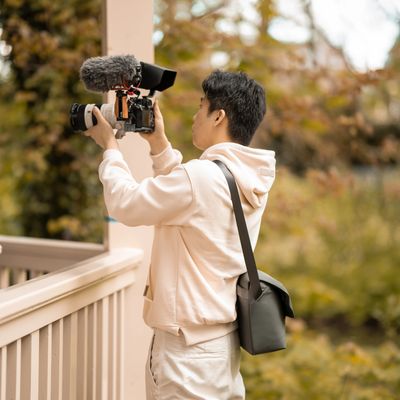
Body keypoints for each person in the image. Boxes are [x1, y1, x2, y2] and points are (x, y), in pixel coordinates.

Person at [84, 70, 276, 400]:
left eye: (201, 107)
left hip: (186, 354)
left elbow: (127, 205)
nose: (194, 116)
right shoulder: (246, 176)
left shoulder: (201, 177)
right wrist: (158, 143)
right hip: (222, 345)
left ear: (219, 116)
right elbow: (190, 203)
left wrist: (110, 147)